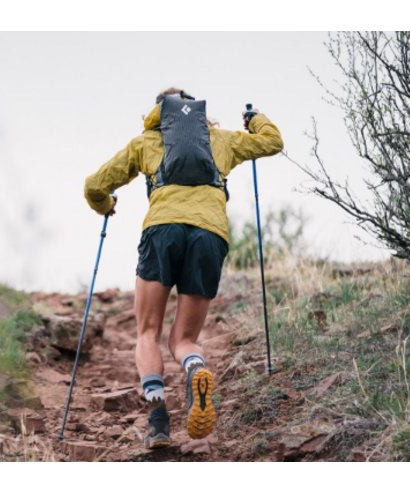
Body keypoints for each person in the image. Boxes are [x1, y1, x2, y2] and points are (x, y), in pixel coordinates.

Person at [84, 88, 283, 449]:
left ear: (161, 113)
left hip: (162, 232)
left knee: (148, 332)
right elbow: (272, 142)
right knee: (184, 339)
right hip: (209, 235)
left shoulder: (146, 142)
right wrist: (255, 120)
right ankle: (193, 367)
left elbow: (94, 185)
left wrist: (106, 204)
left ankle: (159, 421)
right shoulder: (221, 140)